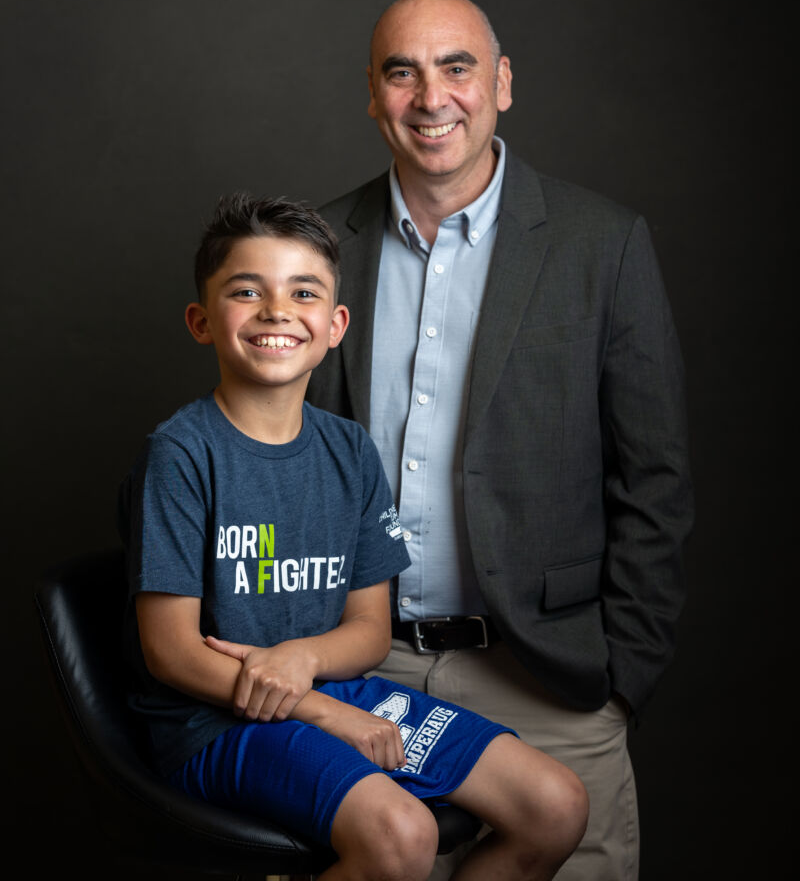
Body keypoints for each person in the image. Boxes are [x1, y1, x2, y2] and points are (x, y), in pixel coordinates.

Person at [306, 0, 693, 880]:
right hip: (371, 677)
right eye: (401, 73)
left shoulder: (604, 244)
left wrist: (619, 681)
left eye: (457, 67)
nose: (431, 97)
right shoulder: (321, 249)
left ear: (503, 83)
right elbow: (284, 461)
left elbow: (656, 482)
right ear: (373, 95)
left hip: (550, 681)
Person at [118, 192, 588, 881]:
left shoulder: (351, 452)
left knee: (555, 805)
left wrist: (303, 662)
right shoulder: (182, 455)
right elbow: (172, 654)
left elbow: (369, 629)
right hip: (215, 724)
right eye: (247, 291)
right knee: (402, 836)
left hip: (326, 691)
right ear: (201, 320)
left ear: (335, 324)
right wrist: (321, 713)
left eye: (302, 292)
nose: (277, 310)